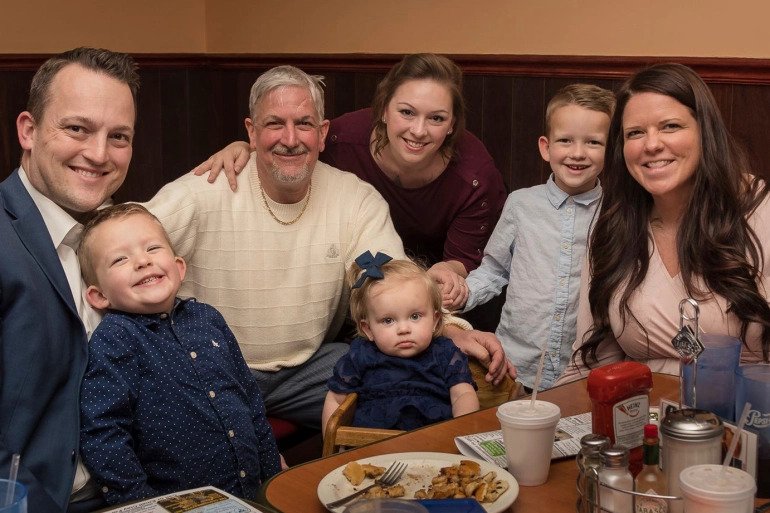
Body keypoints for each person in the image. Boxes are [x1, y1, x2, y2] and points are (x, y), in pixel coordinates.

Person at [144, 65, 509, 432]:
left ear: (322, 134)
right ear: (251, 133)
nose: (290, 138)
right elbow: (114, 243)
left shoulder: (355, 200)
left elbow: (389, 280)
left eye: (304, 124)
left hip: (309, 370)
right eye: (274, 124)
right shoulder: (203, 191)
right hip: (210, 368)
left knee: (413, 382)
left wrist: (451, 331)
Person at [192, 53, 507, 325]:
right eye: (406, 112)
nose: (419, 130)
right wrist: (244, 149)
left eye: (436, 118)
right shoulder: (341, 141)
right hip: (356, 279)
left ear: (452, 124)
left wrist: (444, 274)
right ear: (382, 110)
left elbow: (465, 261)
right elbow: (290, 146)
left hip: (427, 293)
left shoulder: (475, 176)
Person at [558, 63, 770, 383]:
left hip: (746, 418)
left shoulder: (758, 211)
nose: (651, 144)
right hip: (641, 419)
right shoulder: (613, 225)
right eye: (635, 133)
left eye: (670, 126)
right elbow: (592, 360)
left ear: (704, 131)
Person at [0, 47, 139, 512]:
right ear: (29, 130)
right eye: (77, 128)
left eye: (118, 136)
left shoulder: (124, 234)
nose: (98, 154)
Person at [77, 204, 281, 505]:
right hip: (178, 502)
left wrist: (273, 474)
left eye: (152, 248)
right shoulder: (116, 338)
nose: (142, 261)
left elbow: (249, 400)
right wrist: (140, 505)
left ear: (179, 267)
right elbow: (105, 433)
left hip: (252, 492)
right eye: (120, 259)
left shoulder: (208, 319)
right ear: (99, 296)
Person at [456, 84, 615, 391]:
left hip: (585, 369)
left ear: (612, 149)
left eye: (593, 142)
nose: (577, 153)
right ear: (546, 147)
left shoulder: (616, 213)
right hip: (516, 366)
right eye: (565, 140)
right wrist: (461, 295)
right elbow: (494, 270)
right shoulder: (521, 204)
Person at [322, 252, 479, 433]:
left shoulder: (445, 353)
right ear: (368, 329)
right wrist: (333, 446)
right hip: (369, 447)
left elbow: (463, 394)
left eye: (415, 316)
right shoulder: (360, 355)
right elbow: (335, 399)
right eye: (388, 320)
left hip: (433, 443)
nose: (404, 329)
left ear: (435, 320)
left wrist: (461, 432)